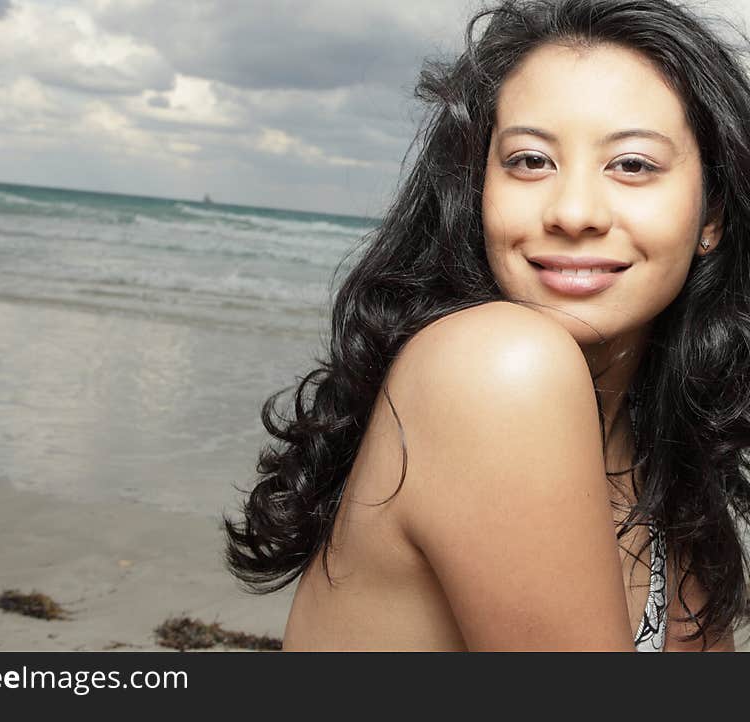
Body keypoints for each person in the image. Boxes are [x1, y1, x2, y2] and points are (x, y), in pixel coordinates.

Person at [224, 0, 750, 651]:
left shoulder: (660, 450)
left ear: (711, 217)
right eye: (530, 161)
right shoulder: (497, 368)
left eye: (632, 164)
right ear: (476, 193)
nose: (574, 211)